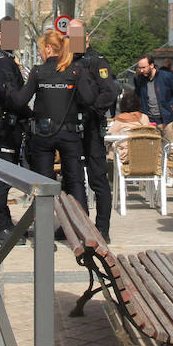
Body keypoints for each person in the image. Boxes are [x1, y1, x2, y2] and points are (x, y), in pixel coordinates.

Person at [12, 28, 99, 232]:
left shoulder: (38, 72)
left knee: (43, 183)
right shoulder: (75, 71)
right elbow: (89, 99)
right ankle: (82, 230)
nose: (41, 53)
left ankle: (43, 233)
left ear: (49, 48)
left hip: (43, 134)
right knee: (75, 181)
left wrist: (10, 93)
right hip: (70, 133)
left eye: (42, 49)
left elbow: (20, 101)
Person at [67, 19, 119, 238]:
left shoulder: (97, 62)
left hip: (91, 126)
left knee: (98, 178)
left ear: (86, 37)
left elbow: (109, 92)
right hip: (70, 127)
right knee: (72, 179)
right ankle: (78, 224)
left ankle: (102, 228)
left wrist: (91, 110)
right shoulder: (67, 61)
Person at [0, 17, 30, 244]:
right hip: (5, 125)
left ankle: (3, 221)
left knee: (6, 175)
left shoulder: (3, 58)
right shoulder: (0, 61)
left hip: (8, 123)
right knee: (3, 176)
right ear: (0, 35)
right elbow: (11, 96)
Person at [134, 54, 173, 147]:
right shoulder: (140, 79)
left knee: (171, 150)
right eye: (139, 68)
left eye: (144, 67)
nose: (141, 70)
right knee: (155, 151)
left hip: (168, 120)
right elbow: (139, 97)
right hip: (150, 120)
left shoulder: (167, 77)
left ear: (152, 65)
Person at [107, 91, 154, 161]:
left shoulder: (119, 120)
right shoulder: (144, 117)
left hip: (124, 155)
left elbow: (109, 137)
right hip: (142, 154)